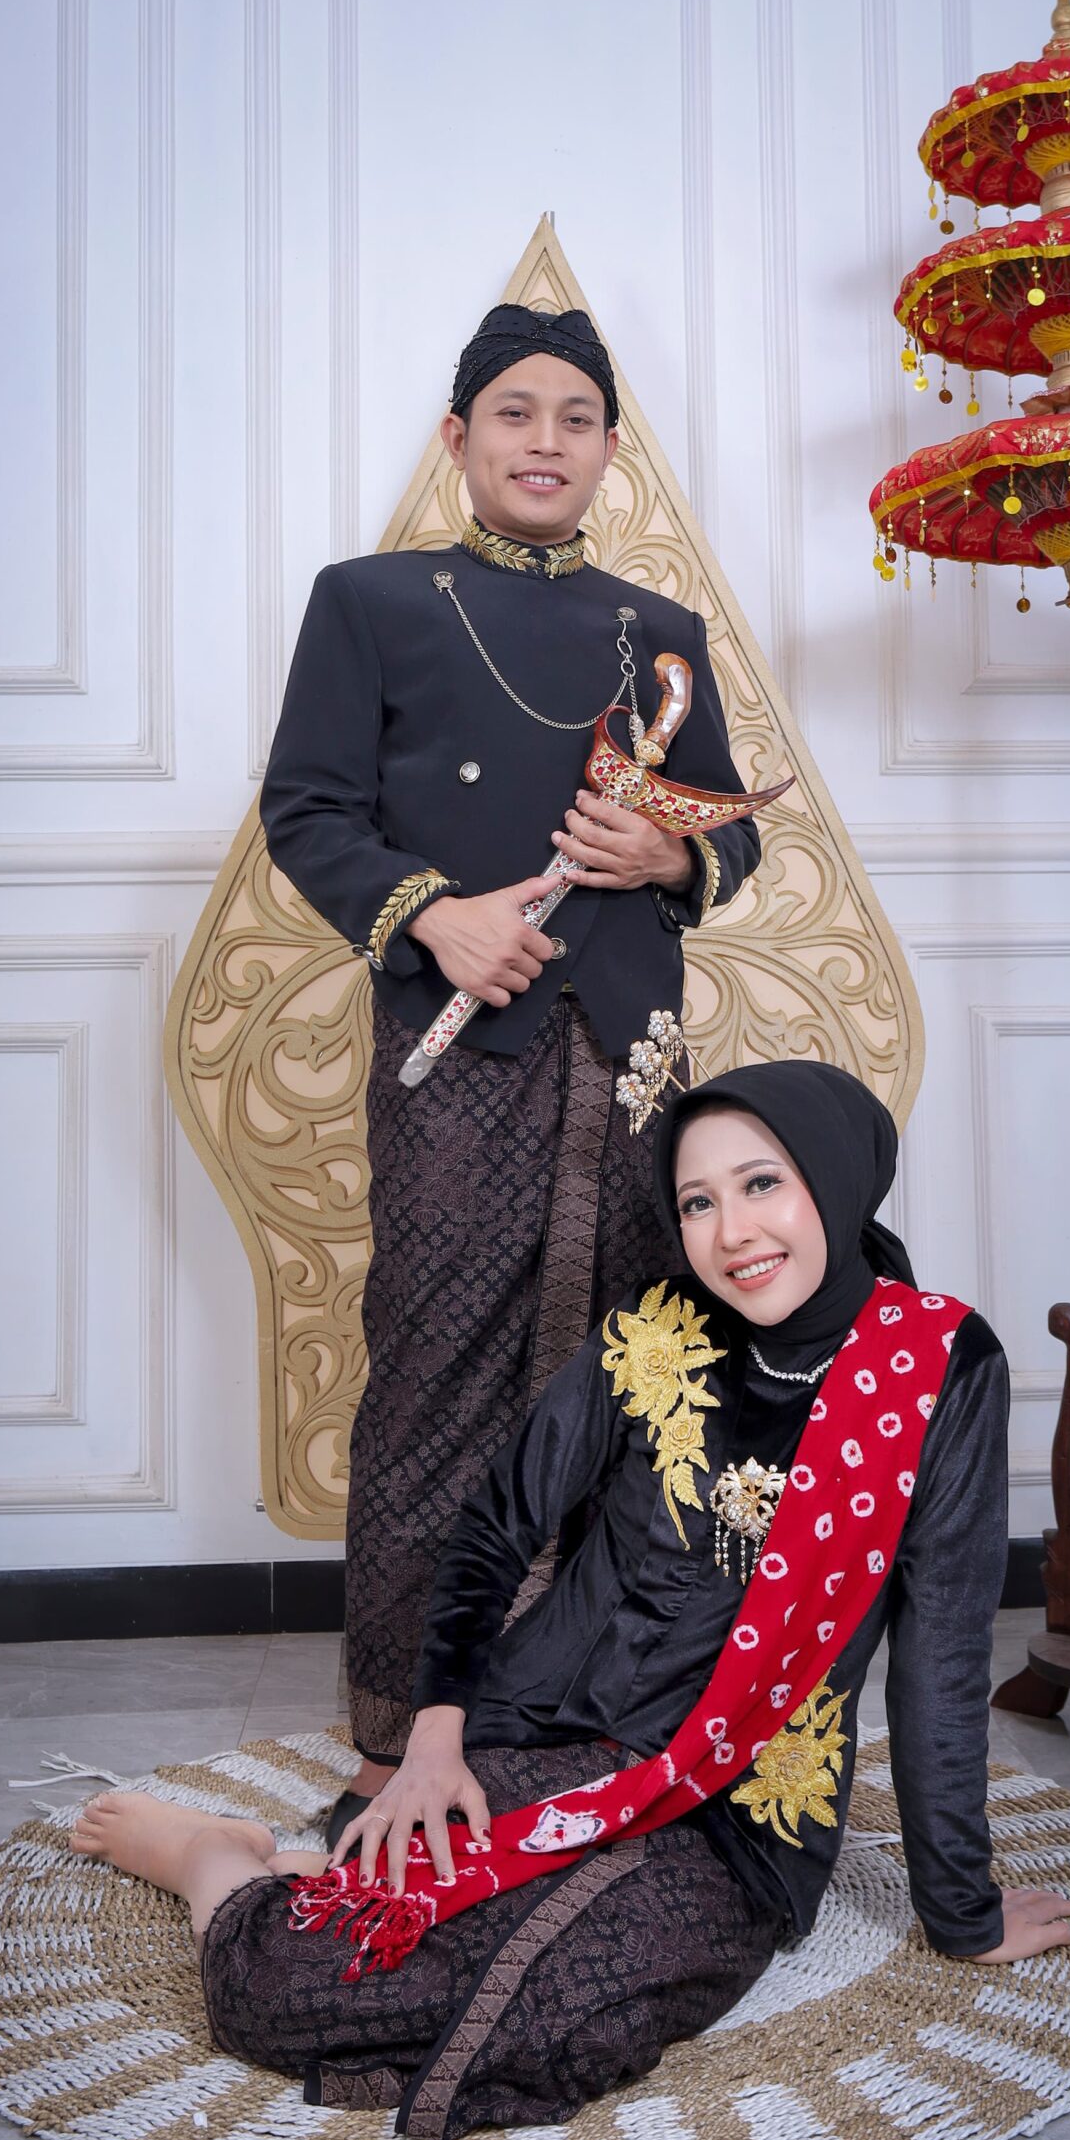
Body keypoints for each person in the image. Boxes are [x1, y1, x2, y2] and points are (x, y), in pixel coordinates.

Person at [70, 1060, 1070, 2140]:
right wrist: (432, 1743)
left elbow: (939, 1663)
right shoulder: (653, 1332)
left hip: (737, 1815)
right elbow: (493, 1530)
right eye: (696, 1202)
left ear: (834, 1177)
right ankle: (214, 1860)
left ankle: (313, 1857)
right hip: (554, 1734)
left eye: (761, 1184)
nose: (732, 1231)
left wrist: (964, 1914)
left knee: (570, 2012)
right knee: (290, 1984)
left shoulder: (939, 1366)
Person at [258, 302, 762, 1804]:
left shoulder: (657, 633)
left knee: (633, 1365)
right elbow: (306, 810)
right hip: (462, 1044)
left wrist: (667, 860)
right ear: (457, 437)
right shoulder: (371, 600)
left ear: (609, 449)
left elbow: (727, 835)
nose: (546, 442)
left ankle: (590, 1712)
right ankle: (394, 1739)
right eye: (514, 414)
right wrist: (436, 916)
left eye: (576, 419)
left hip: (631, 1054)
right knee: (436, 1367)